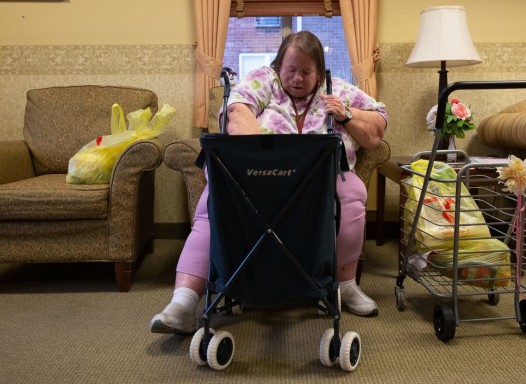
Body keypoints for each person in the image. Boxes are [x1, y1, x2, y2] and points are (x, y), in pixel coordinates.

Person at [150, 31, 388, 334]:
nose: (298, 78)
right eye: (291, 69)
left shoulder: (337, 90)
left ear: (320, 71)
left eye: (306, 71)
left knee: (353, 191)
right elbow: (236, 112)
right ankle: (182, 303)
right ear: (278, 66)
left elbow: (376, 130)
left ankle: (347, 286)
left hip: (323, 181)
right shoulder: (264, 80)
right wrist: (267, 160)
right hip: (260, 178)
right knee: (214, 201)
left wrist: (346, 114)